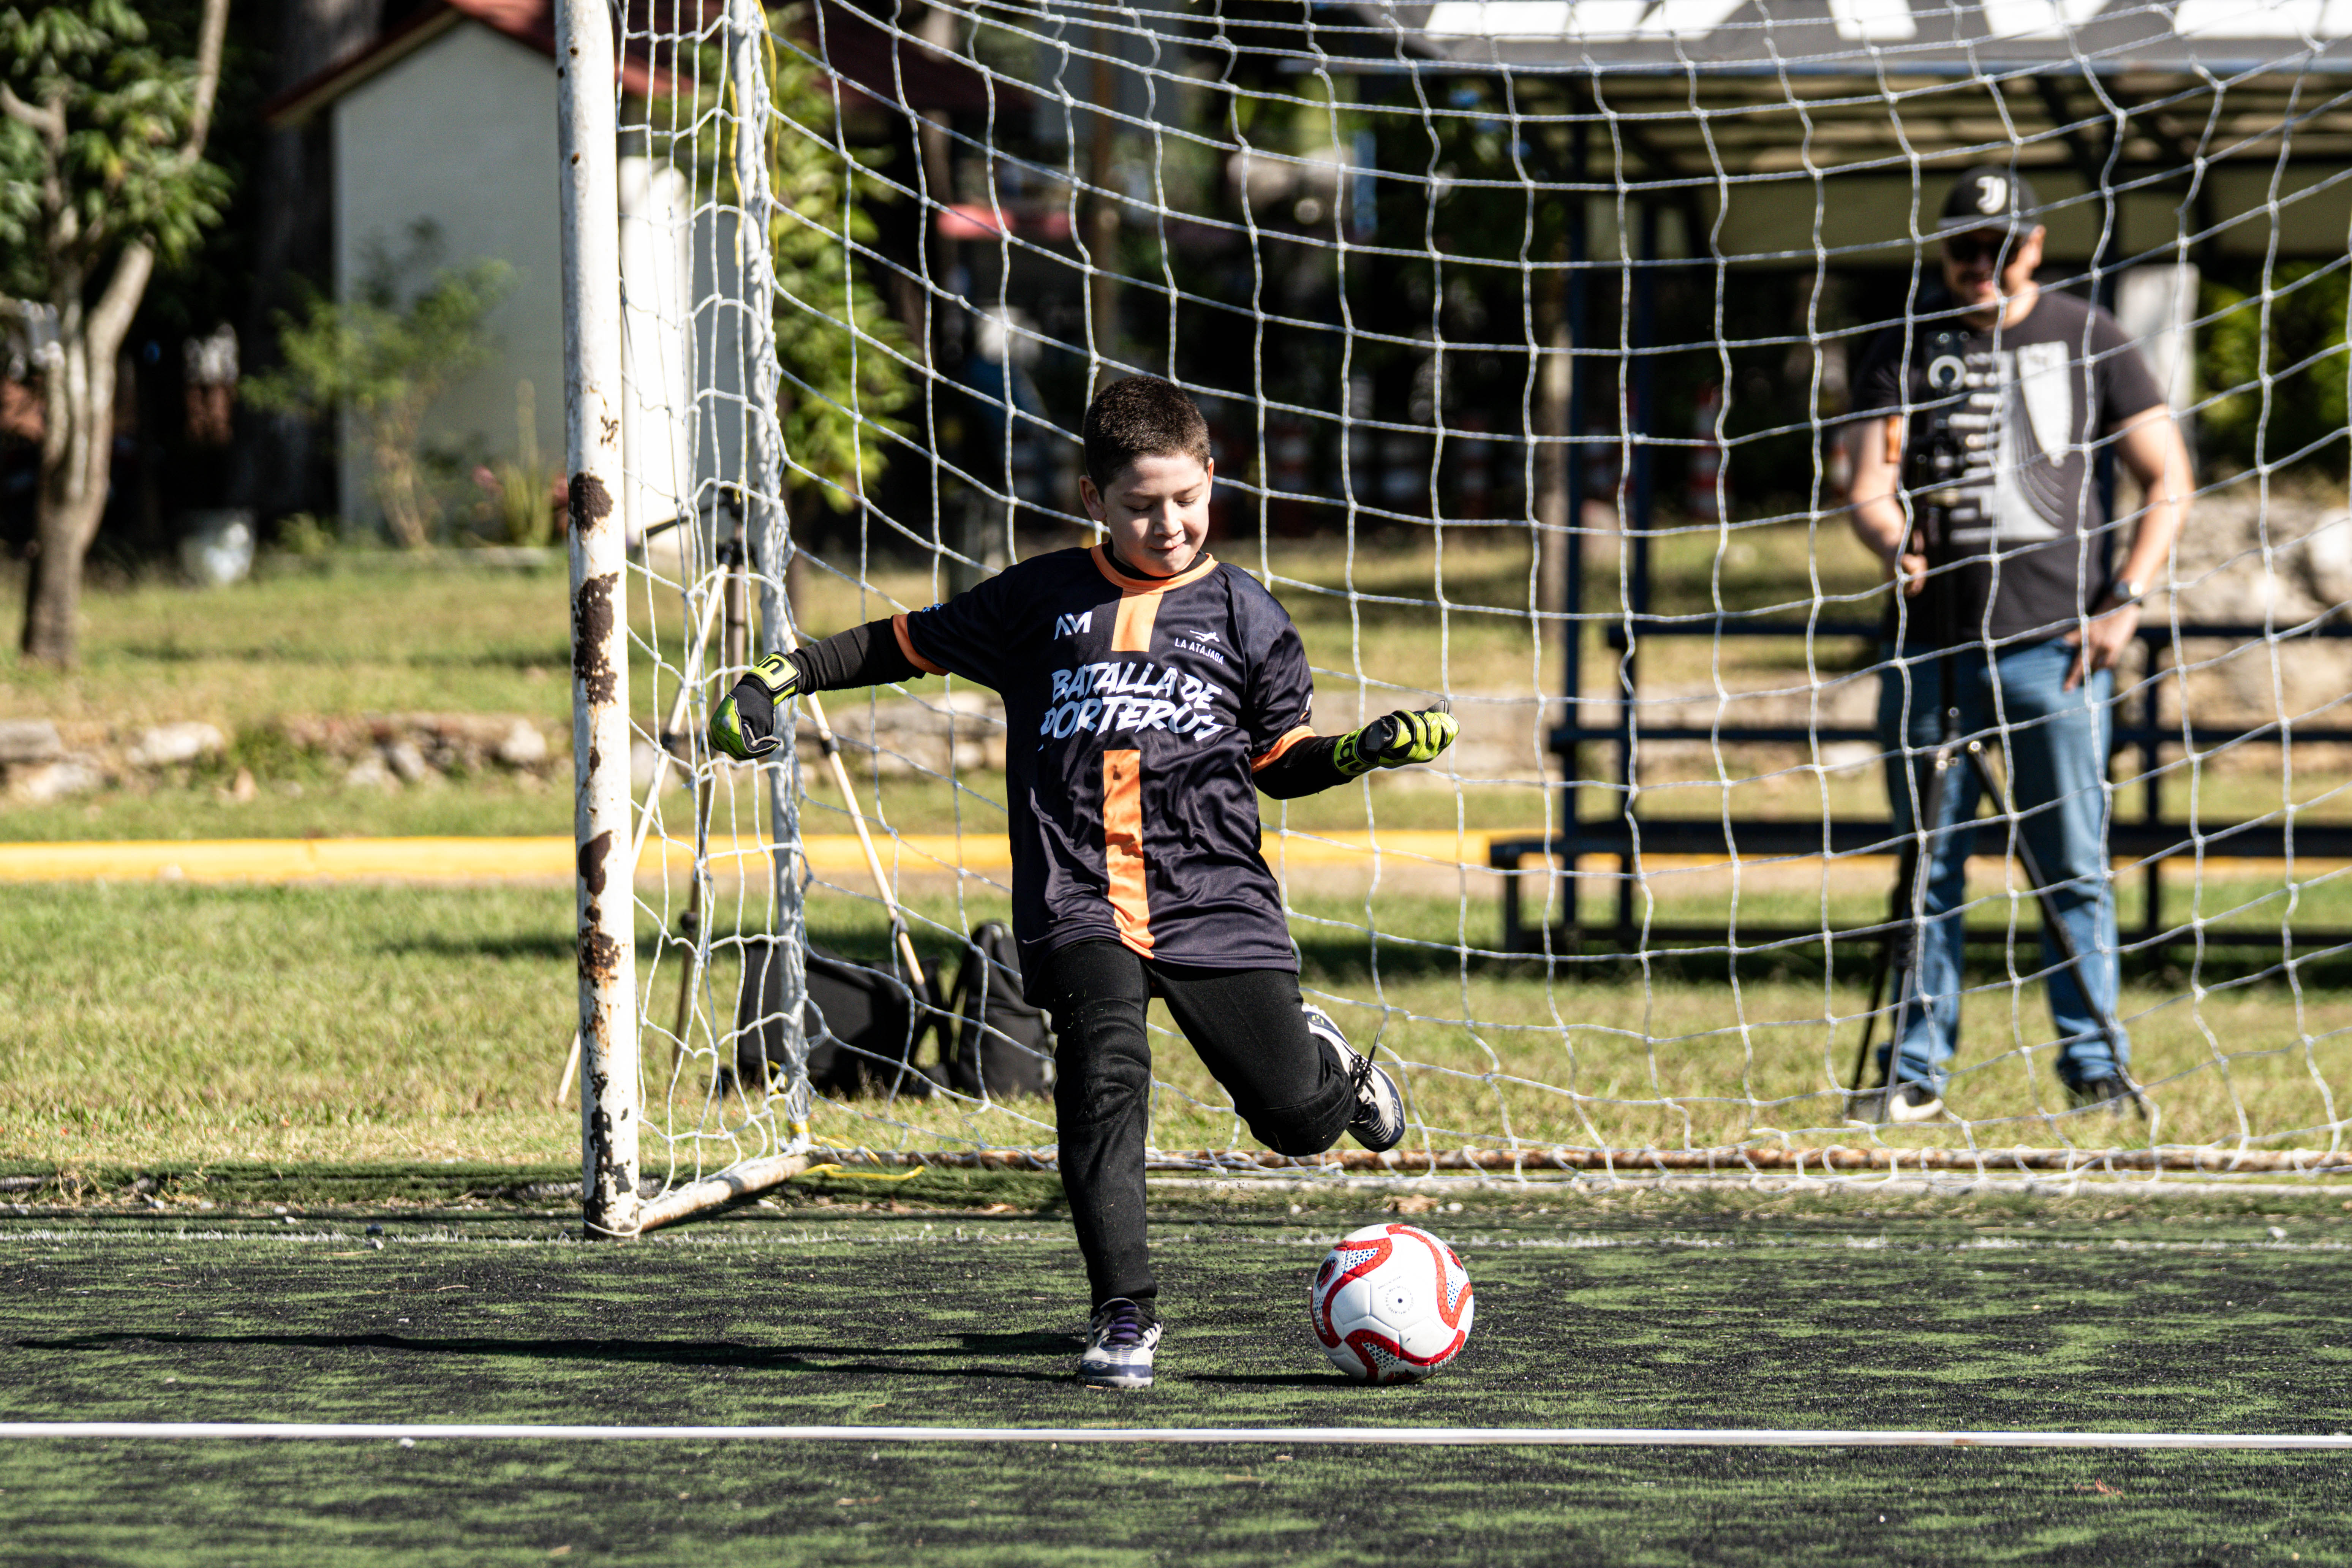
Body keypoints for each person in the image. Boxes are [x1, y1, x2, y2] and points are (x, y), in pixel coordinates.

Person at [706, 375, 1457, 1387]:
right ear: (1092, 498)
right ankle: (1123, 1315)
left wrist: (1360, 751)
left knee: (1295, 1123)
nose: (1172, 522)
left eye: (1188, 499)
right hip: (1076, 899)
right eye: (1144, 504)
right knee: (1105, 1078)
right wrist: (785, 675)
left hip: (1213, 900)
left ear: (1211, 482)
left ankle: (1332, 1075)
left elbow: (1278, 762)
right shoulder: (1039, 600)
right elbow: (905, 641)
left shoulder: (1249, 616)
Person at [1846, 166, 2192, 1124]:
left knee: (2072, 864)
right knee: (1929, 867)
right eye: (1964, 250)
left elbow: (2169, 475)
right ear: (1943, 254)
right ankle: (1915, 1070)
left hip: (2059, 649)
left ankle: (2093, 1064)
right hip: (1933, 648)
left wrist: (2127, 596)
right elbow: (1867, 480)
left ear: (2035, 247)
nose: (1982, 268)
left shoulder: (2092, 335)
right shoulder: (1903, 345)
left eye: (2000, 249)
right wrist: (1891, 539)